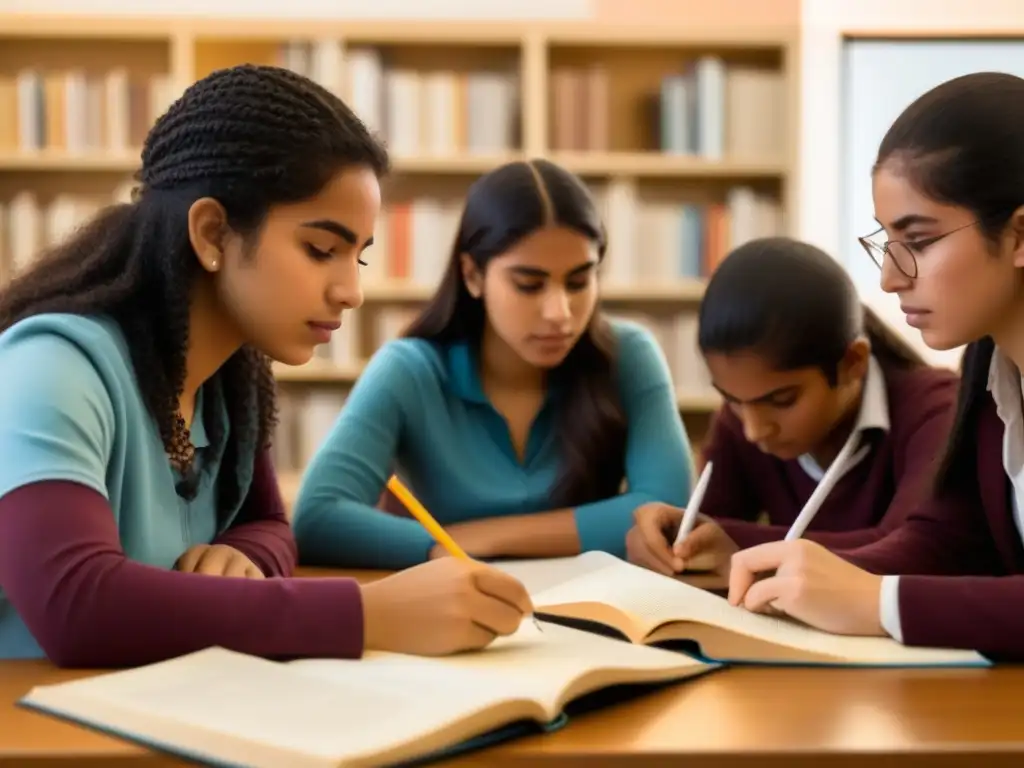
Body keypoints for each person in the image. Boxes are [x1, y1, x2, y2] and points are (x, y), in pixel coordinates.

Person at [0, 64, 531, 668]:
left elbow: (272, 525)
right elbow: (76, 606)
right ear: (212, 233)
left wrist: (246, 553)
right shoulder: (51, 367)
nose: (350, 292)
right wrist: (371, 616)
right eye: (321, 250)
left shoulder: (230, 379)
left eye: (356, 256)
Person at [725, 71, 1024, 661]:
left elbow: (890, 592)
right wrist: (804, 574)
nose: (889, 279)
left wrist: (880, 604)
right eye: (886, 242)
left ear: (1019, 234)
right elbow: (947, 540)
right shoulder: (988, 365)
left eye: (919, 240)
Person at [292, 159, 695, 569]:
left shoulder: (628, 354)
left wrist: (476, 539)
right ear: (473, 275)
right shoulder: (410, 370)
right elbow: (317, 518)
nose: (560, 313)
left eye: (578, 282)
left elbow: (665, 509)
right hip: (457, 603)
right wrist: (446, 552)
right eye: (529, 284)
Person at [624, 237, 958, 576]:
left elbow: (910, 550)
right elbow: (709, 531)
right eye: (731, 399)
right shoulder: (741, 417)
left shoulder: (937, 411)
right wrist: (673, 541)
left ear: (853, 363)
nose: (754, 430)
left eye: (782, 400)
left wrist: (736, 545)